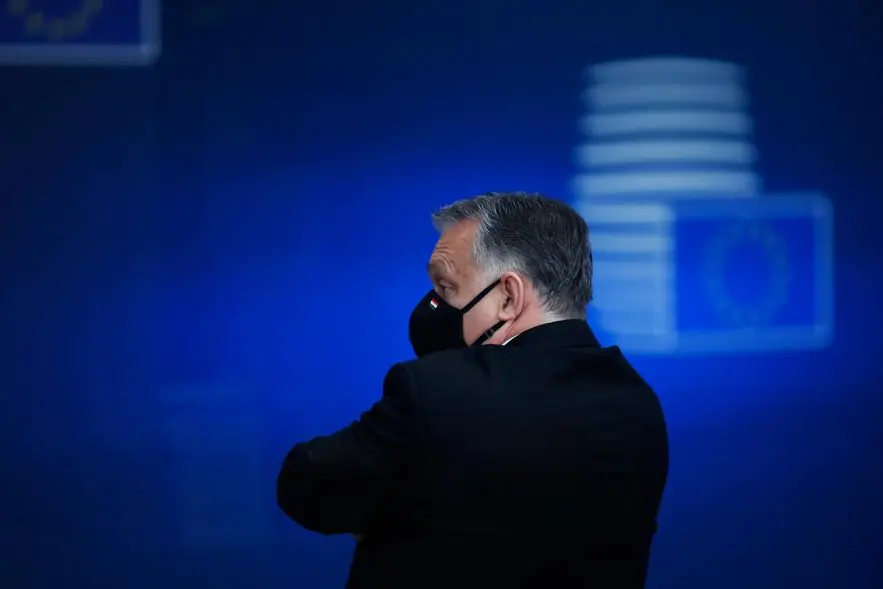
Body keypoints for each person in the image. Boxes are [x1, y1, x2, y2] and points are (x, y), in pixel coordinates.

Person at [276, 192, 669, 588]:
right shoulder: (639, 405)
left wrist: (377, 512)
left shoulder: (434, 389)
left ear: (508, 298)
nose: (432, 306)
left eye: (445, 287)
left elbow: (308, 484)